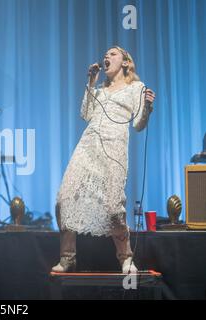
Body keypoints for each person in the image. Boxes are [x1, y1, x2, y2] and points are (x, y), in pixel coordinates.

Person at [52, 46, 156, 273]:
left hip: (114, 147)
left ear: (126, 62)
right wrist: (91, 82)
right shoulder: (99, 90)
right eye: (106, 55)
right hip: (87, 146)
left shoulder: (135, 88)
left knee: (112, 208)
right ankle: (67, 257)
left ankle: (126, 257)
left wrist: (147, 107)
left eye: (113, 54)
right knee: (64, 199)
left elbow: (138, 125)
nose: (106, 57)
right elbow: (85, 114)